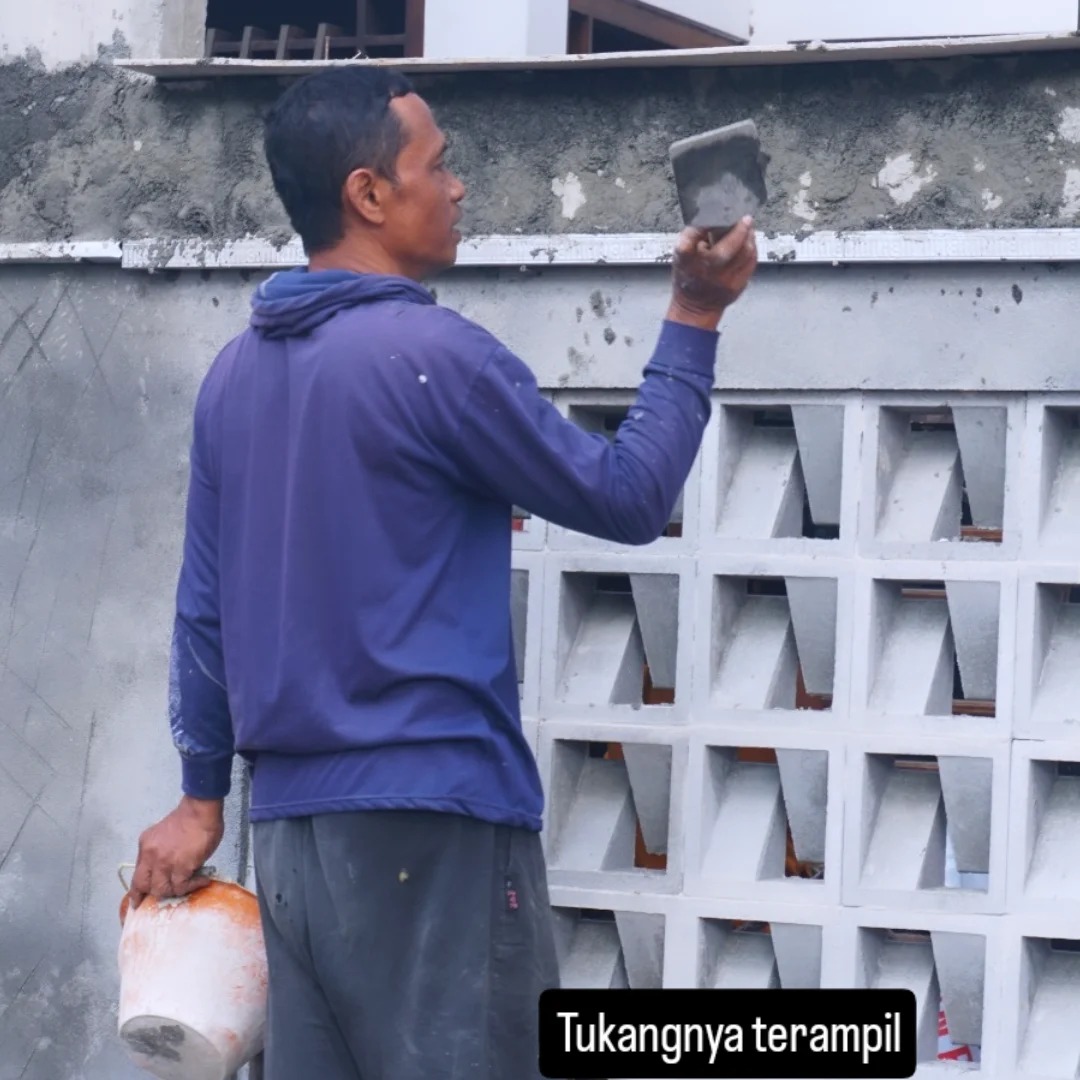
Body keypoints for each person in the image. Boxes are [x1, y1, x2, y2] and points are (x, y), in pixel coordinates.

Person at [127, 66, 757, 1080]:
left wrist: (202, 800)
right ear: (369, 194)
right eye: (438, 165)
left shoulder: (233, 377)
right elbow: (629, 496)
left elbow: (203, 615)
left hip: (288, 839)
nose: (458, 187)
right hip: (436, 825)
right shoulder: (433, 357)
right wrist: (694, 313)